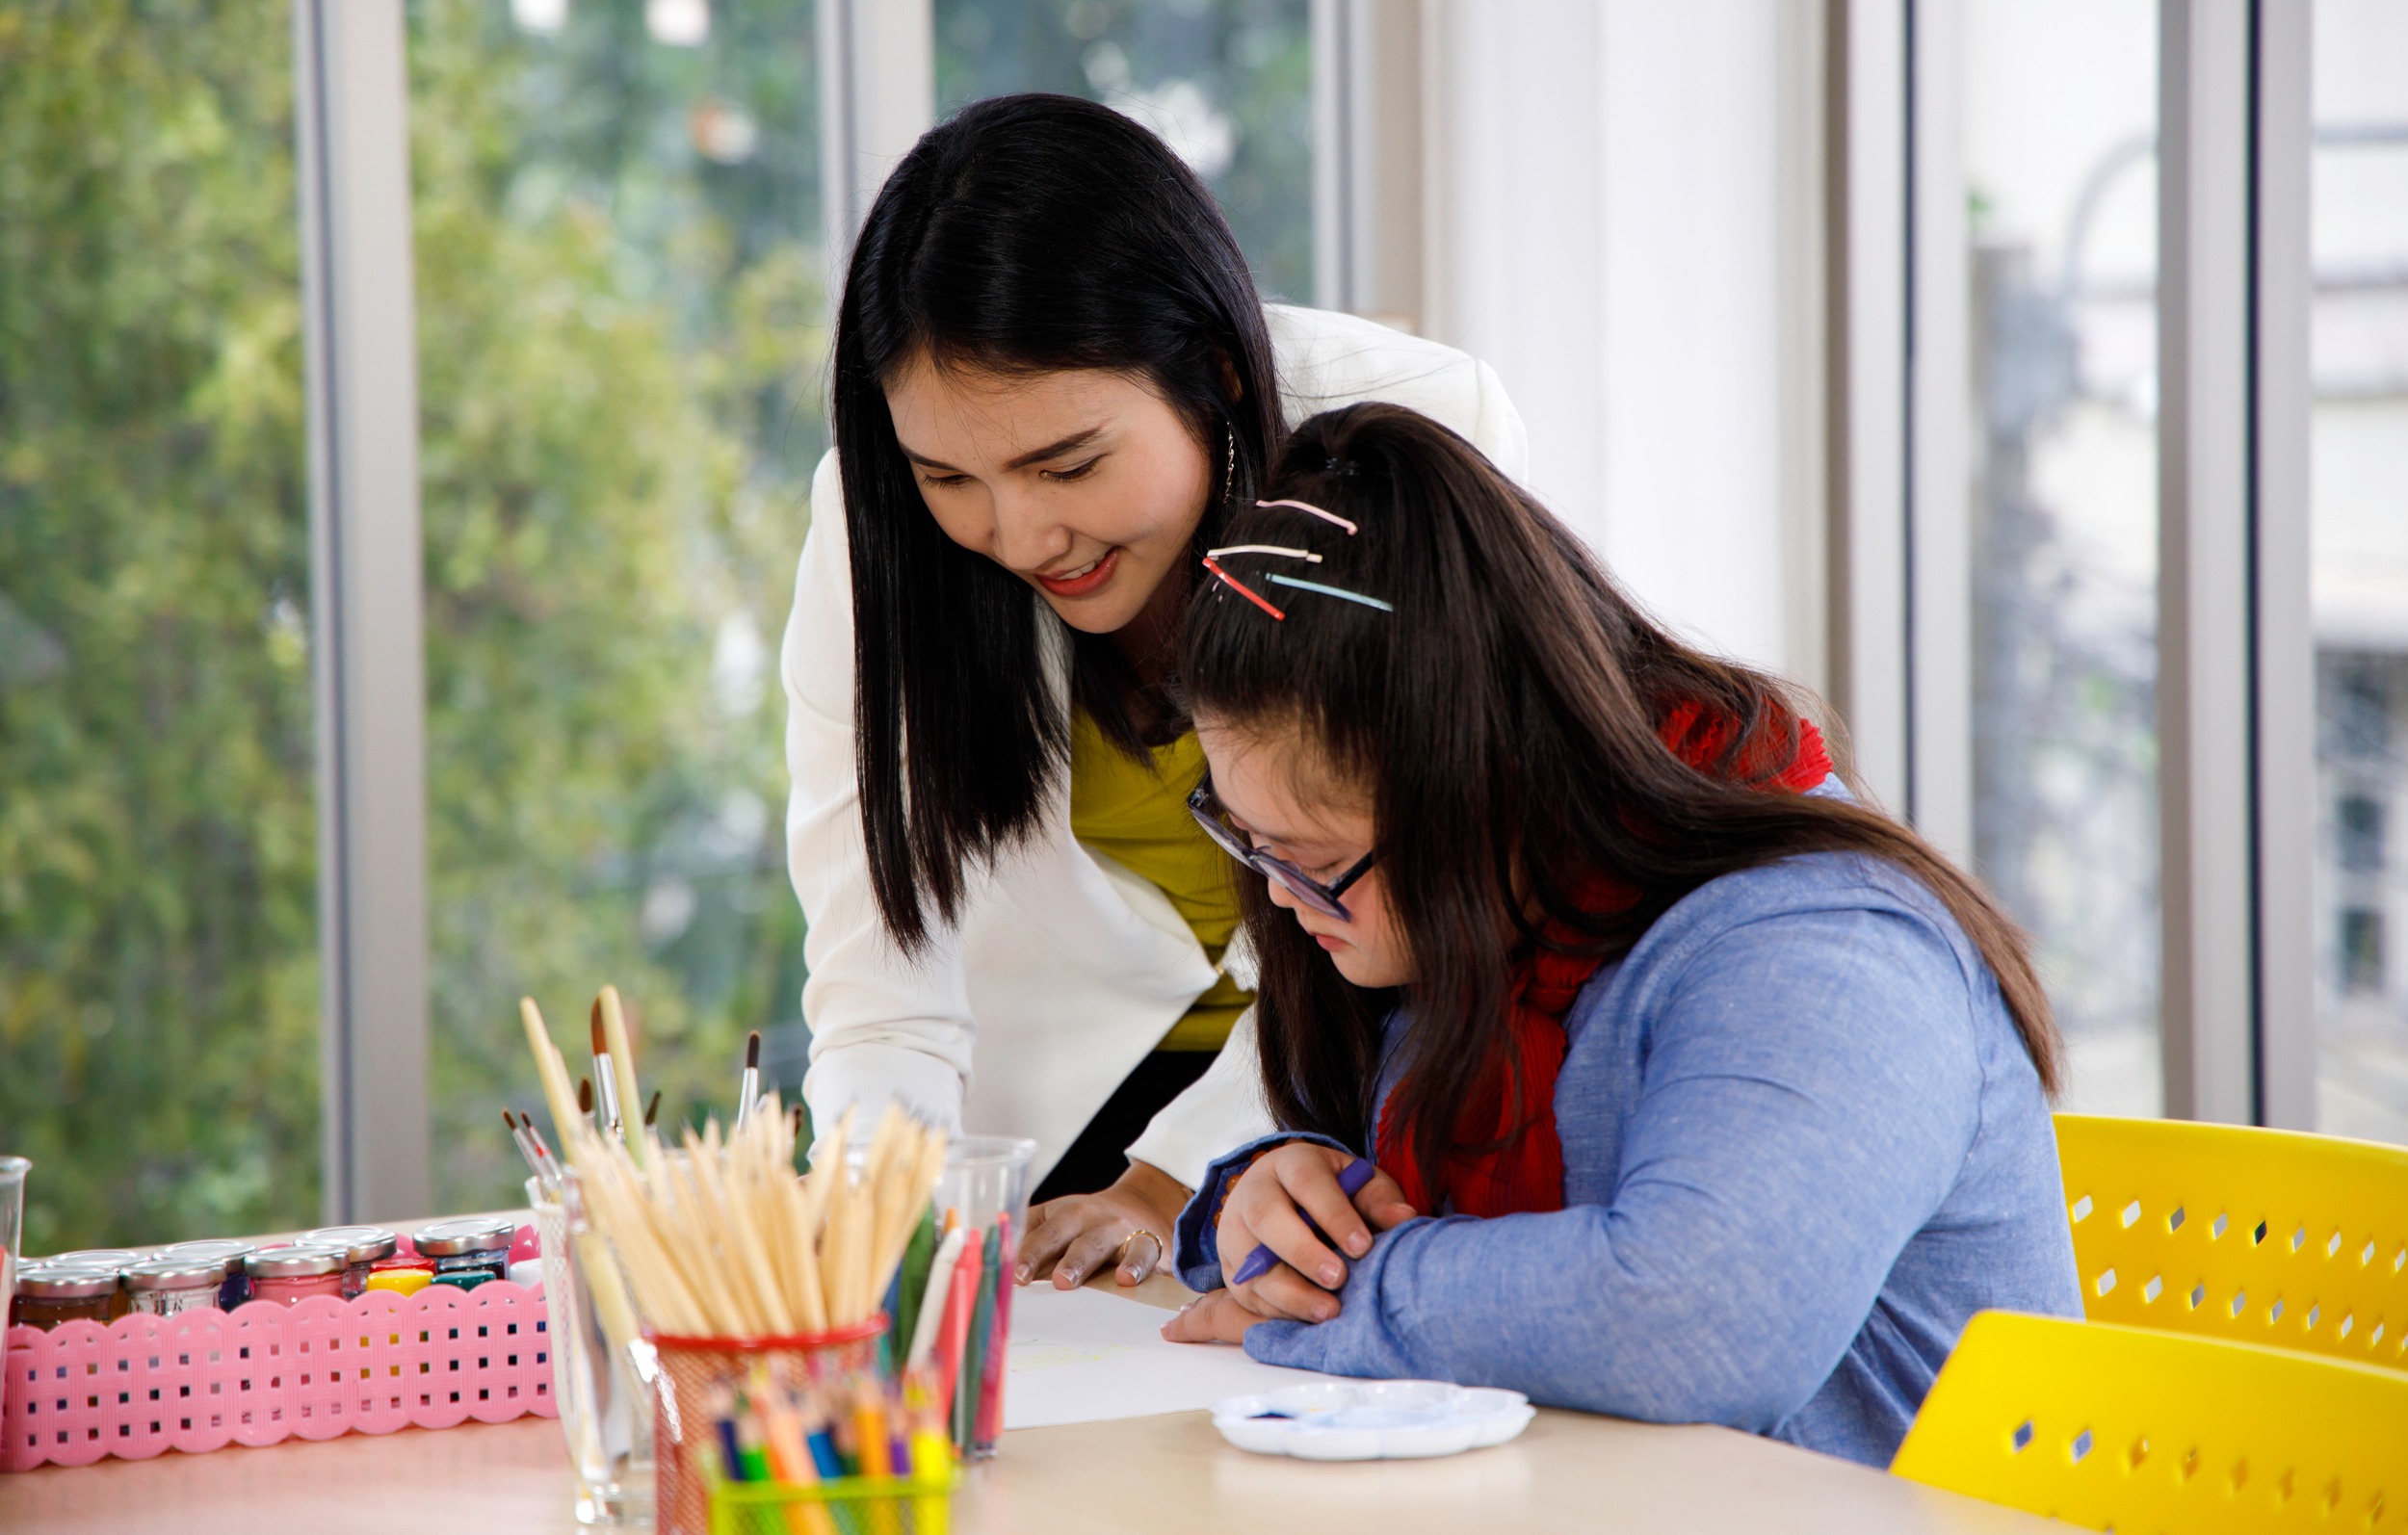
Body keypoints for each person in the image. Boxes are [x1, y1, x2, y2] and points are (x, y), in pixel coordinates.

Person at [1159, 403, 2080, 1466]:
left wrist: (1345, 1285)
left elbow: (1692, 1324)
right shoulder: (1496, 909)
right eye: (1251, 844)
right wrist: (1271, 1206)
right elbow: (1379, 1186)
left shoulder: (1826, 948)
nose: (1280, 899)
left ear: (1487, 789)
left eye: (1313, 861)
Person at [781, 95, 1528, 1292]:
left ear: (1215, 373)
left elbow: (1452, 880)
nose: (1020, 534)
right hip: (1042, 1163)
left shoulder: (1416, 437)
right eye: (949, 478)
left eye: (1068, 464)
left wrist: (1176, 1177)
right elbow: (882, 974)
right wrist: (889, 1221)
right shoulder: (874, 526)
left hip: (1340, 1125)